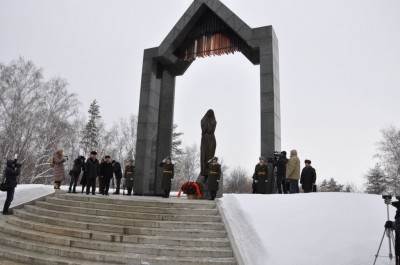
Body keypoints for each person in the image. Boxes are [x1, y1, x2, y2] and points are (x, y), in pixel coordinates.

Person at [200, 109, 217, 178]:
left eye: (211, 113)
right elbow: (204, 129)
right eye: (208, 113)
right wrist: (206, 120)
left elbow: (210, 130)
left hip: (211, 140)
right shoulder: (203, 120)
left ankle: (209, 173)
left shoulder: (214, 121)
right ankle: (204, 173)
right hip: (204, 140)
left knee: (210, 156)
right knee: (203, 156)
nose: (209, 114)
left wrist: (208, 121)